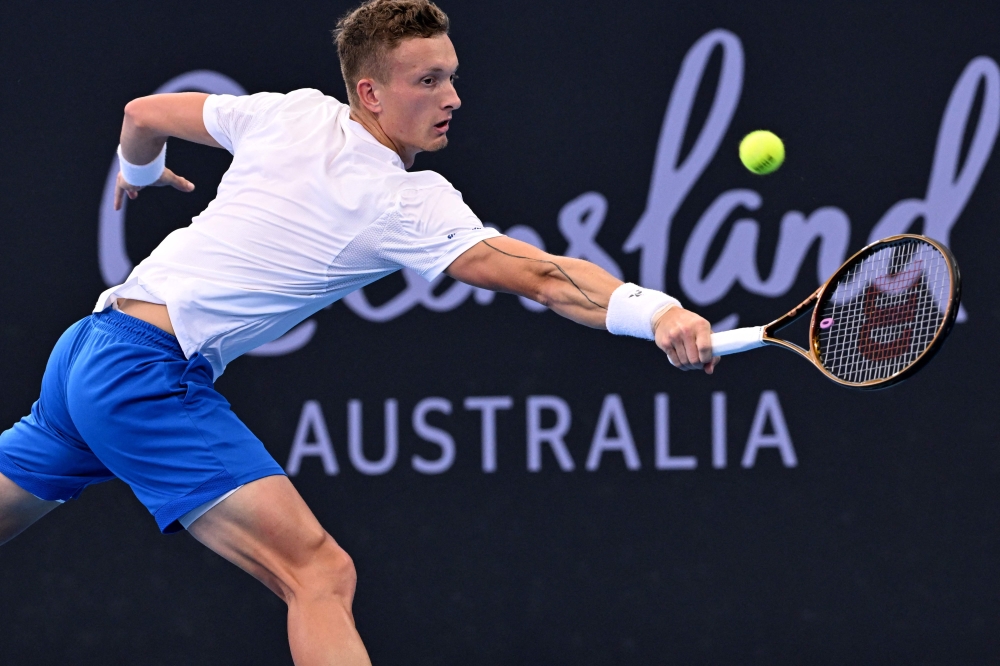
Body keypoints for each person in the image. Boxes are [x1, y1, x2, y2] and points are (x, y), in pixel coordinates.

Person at [0, 0, 719, 663]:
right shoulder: (401, 200)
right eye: (428, 81)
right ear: (370, 93)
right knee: (318, 572)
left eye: (452, 77)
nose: (452, 99)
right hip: (145, 377)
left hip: (86, 349)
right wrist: (657, 312)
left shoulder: (293, 113)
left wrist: (139, 169)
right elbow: (543, 278)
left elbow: (142, 112)